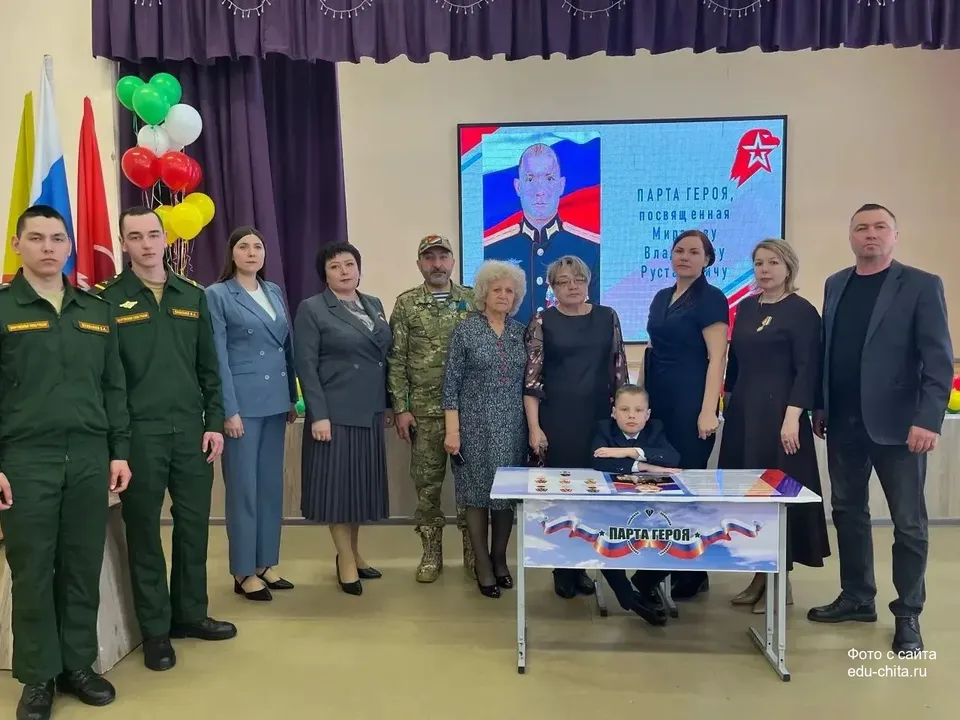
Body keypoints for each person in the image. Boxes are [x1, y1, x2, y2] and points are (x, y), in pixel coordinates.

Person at [0, 205, 132, 720]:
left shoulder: (95, 310)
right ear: (18, 245)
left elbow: (114, 385)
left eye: (57, 238)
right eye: (36, 238)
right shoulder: (4, 308)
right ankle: (38, 676)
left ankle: (77, 664)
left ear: (70, 245)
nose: (48, 247)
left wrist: (119, 451)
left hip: (89, 457)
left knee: (81, 564)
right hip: (25, 459)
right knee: (32, 569)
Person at [95, 206, 235, 674]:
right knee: (144, 535)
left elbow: (209, 367)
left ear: (165, 238)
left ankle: (190, 614)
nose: (147, 243)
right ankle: (155, 629)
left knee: (194, 528)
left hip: (192, 434)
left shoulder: (191, 295)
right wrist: (117, 445)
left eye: (153, 234)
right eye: (135, 236)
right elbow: (108, 380)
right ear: (124, 244)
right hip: (140, 436)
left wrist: (214, 421)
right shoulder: (107, 300)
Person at [808, 204, 953, 653]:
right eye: (861, 228)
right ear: (851, 236)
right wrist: (821, 405)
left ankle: (908, 614)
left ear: (895, 235)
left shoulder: (922, 285)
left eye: (880, 227)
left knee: (909, 524)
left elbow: (938, 360)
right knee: (848, 512)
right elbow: (830, 350)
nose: (870, 234)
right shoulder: (836, 284)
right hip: (843, 423)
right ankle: (857, 597)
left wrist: (927, 419)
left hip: (900, 426)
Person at [718, 239, 830, 613]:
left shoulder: (802, 311)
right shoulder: (747, 307)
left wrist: (793, 416)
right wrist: (727, 402)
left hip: (782, 416)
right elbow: (735, 363)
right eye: (759, 263)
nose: (765, 270)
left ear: (788, 267)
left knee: (776, 496)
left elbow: (807, 368)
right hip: (745, 414)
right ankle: (759, 575)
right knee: (748, 495)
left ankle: (782, 581)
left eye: (773, 263)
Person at [524, 255, 628, 600]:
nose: (572, 286)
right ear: (552, 288)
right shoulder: (543, 321)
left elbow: (619, 370)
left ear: (588, 282)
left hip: (598, 419)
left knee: (593, 496)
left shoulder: (607, 316)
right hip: (558, 419)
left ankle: (583, 564)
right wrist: (535, 428)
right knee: (562, 495)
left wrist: (624, 421)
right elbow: (532, 381)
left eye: (578, 279)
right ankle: (562, 567)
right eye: (563, 281)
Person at [206, 226, 299, 602]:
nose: (251, 252)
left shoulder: (273, 290)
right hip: (242, 406)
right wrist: (228, 410)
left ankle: (265, 562)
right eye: (243, 246)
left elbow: (286, 347)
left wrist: (291, 398)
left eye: (257, 246)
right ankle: (243, 570)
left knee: (270, 488)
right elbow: (217, 356)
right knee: (243, 490)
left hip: (275, 402)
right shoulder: (217, 294)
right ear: (232, 253)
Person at [295, 242, 393, 596]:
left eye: (349, 264)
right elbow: (305, 365)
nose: (344, 271)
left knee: (358, 490)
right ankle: (345, 560)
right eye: (335, 266)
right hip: (334, 414)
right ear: (325, 274)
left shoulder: (373, 304)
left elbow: (383, 359)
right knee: (337, 491)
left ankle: (353, 552)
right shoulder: (313, 308)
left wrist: (388, 405)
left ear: (359, 268)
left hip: (369, 410)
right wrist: (318, 415)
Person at [644, 229, 729, 601]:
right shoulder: (661, 297)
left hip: (692, 401)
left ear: (707, 259)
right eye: (679, 250)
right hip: (659, 401)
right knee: (661, 483)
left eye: (694, 252)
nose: (685, 257)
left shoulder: (711, 298)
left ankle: (693, 570)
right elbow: (651, 350)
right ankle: (665, 561)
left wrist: (709, 410)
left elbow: (717, 358)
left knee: (688, 485)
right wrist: (640, 402)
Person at [387, 235, 475, 583]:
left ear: (453, 261)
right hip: (424, 414)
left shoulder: (473, 300)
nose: (437, 264)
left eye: (443, 257)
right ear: (419, 264)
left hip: (468, 413)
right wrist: (401, 408)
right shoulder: (407, 304)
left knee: (470, 488)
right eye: (429, 258)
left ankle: (473, 552)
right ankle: (431, 553)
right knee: (427, 488)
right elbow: (396, 360)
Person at [441, 260, 528, 598]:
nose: (504, 295)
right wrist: (453, 431)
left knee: (505, 498)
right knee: (476, 496)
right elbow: (451, 385)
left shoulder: (521, 332)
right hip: (473, 427)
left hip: (513, 428)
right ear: (483, 293)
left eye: (509, 291)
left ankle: (500, 559)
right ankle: (482, 564)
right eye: (497, 290)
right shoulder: (466, 330)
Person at [590, 385, 680, 625]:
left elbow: (673, 458)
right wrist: (644, 466)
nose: (631, 415)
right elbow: (599, 461)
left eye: (638, 410)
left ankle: (645, 581)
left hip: (651, 509)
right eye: (624, 409)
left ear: (647, 414)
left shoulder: (656, 429)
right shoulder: (604, 429)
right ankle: (628, 597)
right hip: (613, 508)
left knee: (681, 535)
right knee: (606, 539)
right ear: (614, 412)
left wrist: (629, 452)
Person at [484, 143, 600, 324]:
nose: (540, 191)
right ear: (518, 187)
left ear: (561, 185)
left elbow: (596, 318)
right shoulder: (492, 251)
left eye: (549, 179)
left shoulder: (590, 249)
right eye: (530, 179)